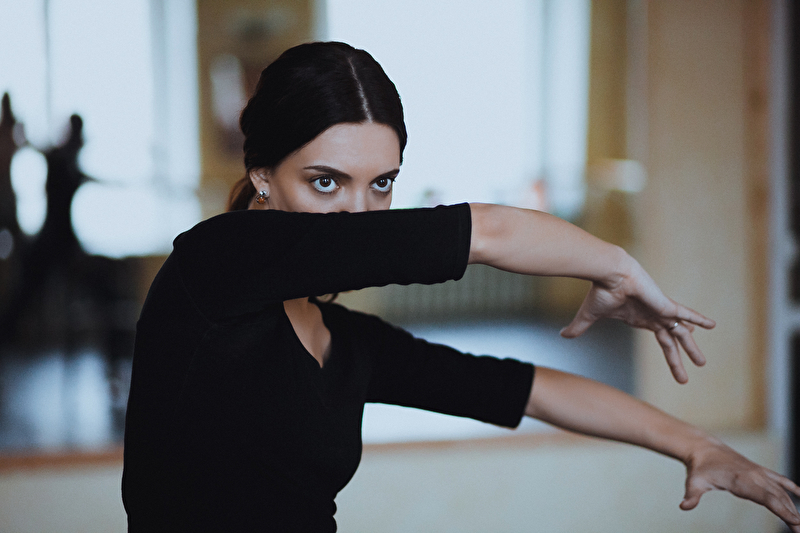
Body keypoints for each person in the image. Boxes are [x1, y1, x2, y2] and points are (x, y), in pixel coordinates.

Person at [121, 41, 800, 532]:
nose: (359, 214)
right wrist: (617, 267)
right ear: (262, 174)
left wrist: (695, 443)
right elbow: (489, 231)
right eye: (325, 182)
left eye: (381, 184)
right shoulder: (213, 263)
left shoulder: (344, 342)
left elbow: (525, 387)